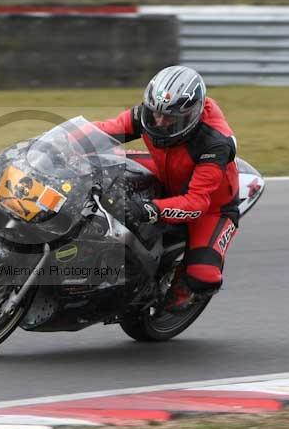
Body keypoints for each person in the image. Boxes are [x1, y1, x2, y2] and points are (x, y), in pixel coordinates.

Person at [93, 66, 240, 309]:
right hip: (164, 173)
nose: (159, 122)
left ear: (192, 115)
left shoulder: (214, 143)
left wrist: (150, 210)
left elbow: (196, 203)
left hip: (212, 207)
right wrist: (57, 144)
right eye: (155, 113)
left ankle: (182, 286)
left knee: (203, 276)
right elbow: (104, 130)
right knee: (100, 163)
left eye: (170, 117)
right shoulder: (150, 114)